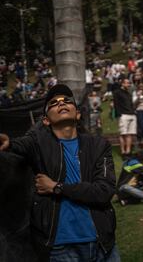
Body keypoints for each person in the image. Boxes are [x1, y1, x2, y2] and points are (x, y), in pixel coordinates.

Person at [0, 84, 119, 261]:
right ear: (46, 120)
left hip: (103, 244)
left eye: (67, 101)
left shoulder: (98, 145)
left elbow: (104, 191)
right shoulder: (36, 143)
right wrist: (8, 143)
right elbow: (17, 145)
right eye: (54, 103)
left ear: (77, 113)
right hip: (61, 247)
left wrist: (57, 187)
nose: (61, 103)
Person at [113, 77, 137, 157]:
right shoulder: (117, 92)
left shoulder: (129, 93)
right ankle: (123, 152)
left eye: (129, 83)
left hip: (132, 115)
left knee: (129, 134)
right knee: (123, 134)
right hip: (123, 115)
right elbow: (116, 104)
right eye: (127, 83)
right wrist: (118, 115)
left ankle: (128, 152)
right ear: (122, 83)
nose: (128, 84)